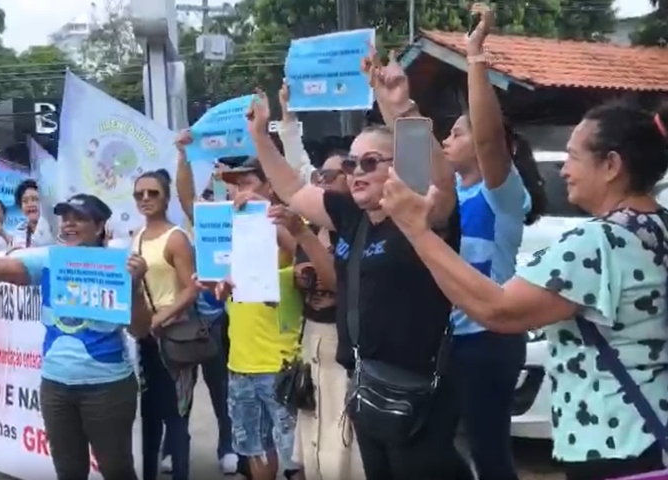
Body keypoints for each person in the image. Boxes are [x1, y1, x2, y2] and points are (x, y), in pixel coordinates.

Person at [381, 97, 668, 480]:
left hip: (614, 442)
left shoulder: (599, 242)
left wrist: (417, 231)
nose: (564, 170)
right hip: (651, 432)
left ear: (612, 165)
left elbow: (499, 310)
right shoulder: (657, 226)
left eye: (573, 157)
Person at [244, 80, 471, 479]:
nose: (356, 173)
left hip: (417, 394)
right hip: (366, 387)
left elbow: (441, 184)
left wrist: (403, 111)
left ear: (400, 167)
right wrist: (260, 135)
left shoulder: (420, 215)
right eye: (351, 164)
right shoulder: (352, 217)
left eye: (370, 162)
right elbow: (294, 189)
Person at [0, 191, 144, 480]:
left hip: (108, 388)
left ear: (100, 225)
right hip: (55, 388)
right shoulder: (48, 259)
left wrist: (136, 287)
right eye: (65, 218)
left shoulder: (121, 265)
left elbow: (140, 330)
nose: (69, 224)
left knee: (116, 470)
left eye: (79, 218)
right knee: (68, 471)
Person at [439, 9, 547, 480]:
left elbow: (488, 140)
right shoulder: (445, 192)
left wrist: (475, 57)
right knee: (436, 445)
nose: (447, 139)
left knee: (489, 452)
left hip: (489, 341)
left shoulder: (501, 194)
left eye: (456, 132)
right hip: (446, 341)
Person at [276, 83, 363, 480]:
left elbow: (340, 280)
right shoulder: (308, 226)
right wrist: (286, 119)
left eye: (333, 175)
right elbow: (296, 176)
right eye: (321, 176)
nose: (323, 182)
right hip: (311, 340)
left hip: (345, 349)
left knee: (342, 446)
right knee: (313, 441)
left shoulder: (362, 230)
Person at [202, 158, 303, 480]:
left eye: (245, 183)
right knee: (256, 450)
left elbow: (300, 254)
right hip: (240, 363)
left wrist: (266, 212)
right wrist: (213, 284)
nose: (236, 191)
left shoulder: (289, 224)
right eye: (234, 185)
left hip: (279, 365)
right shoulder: (232, 233)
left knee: (296, 456)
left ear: (269, 186)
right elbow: (222, 279)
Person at [173, 136, 239, 476]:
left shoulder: (242, 224)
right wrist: (182, 155)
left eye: (223, 191)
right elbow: (185, 196)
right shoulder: (201, 225)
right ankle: (175, 447)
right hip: (187, 318)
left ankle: (227, 445)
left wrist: (225, 179)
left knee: (221, 388)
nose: (214, 199)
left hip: (219, 321)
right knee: (181, 389)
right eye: (211, 193)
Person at [132, 169, 198, 480]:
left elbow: (191, 288)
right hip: (145, 340)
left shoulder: (176, 238)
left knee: (177, 418)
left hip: (175, 339)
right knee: (149, 418)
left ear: (166, 197)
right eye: (139, 194)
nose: (145, 198)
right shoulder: (138, 237)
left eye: (152, 193)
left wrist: (161, 317)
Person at [12, 179, 55, 248]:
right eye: (25, 201)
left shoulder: (54, 226)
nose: (30, 204)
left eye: (35, 199)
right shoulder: (19, 229)